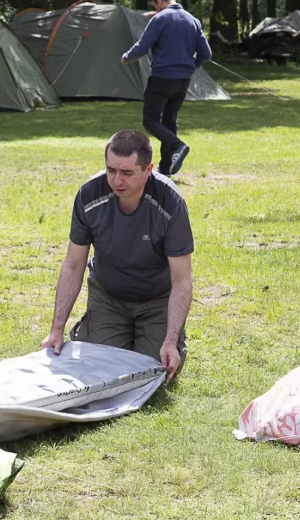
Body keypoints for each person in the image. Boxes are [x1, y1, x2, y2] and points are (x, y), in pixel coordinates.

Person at [40, 130, 194, 383]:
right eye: (111, 170)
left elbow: (182, 279)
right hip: (109, 297)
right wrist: (56, 330)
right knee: (98, 370)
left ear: (149, 169)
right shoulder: (89, 195)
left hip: (157, 300)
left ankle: (173, 341)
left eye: (127, 173)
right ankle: (96, 329)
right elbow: (73, 264)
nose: (117, 180)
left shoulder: (170, 203)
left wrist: (169, 340)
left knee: (150, 373)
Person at [121, 0, 211, 177]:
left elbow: (142, 46)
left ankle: (178, 145)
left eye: (156, 5)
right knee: (170, 120)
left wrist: (127, 57)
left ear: (159, 2)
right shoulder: (192, 20)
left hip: (162, 78)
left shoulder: (160, 19)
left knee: (150, 120)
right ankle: (166, 167)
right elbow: (206, 53)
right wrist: (190, 66)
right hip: (183, 80)